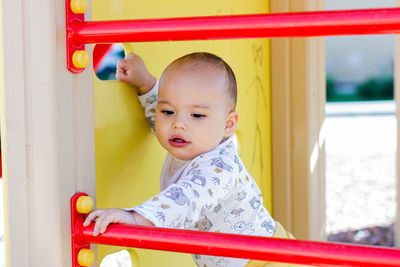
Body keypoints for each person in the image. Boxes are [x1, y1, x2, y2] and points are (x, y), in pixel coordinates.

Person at [84, 52, 295, 267]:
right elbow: (160, 119)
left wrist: (137, 218)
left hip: (266, 260)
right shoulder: (195, 140)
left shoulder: (220, 169)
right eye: (168, 111)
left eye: (196, 115)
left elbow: (186, 199)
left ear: (228, 124)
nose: (178, 123)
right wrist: (146, 85)